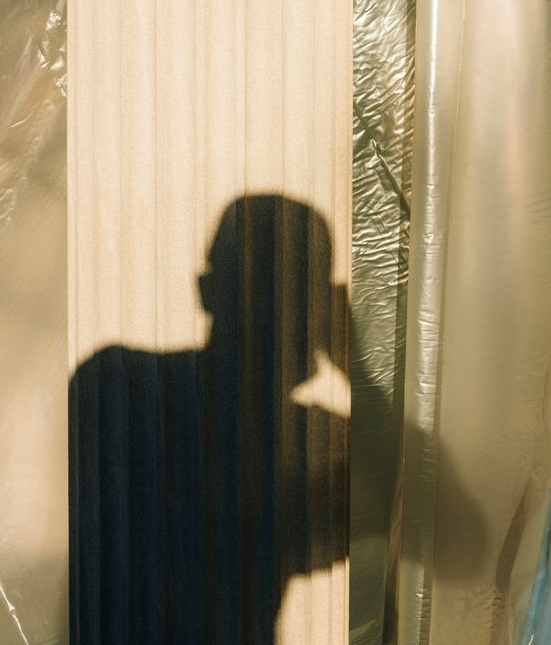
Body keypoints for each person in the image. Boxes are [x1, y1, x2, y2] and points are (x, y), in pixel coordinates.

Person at [70, 194, 348, 644]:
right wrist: (358, 367)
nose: (278, 311)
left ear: (205, 289)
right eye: (270, 292)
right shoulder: (120, 387)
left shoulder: (115, 385)